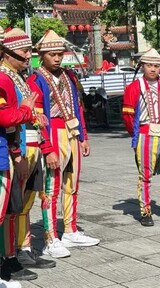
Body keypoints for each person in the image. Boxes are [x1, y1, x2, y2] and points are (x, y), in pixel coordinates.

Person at [27, 30, 99, 259]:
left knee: (72, 184)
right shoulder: (35, 80)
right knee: (51, 187)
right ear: (41, 55)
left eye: (60, 54)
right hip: (53, 132)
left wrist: (83, 136)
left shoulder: (69, 77)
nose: (57, 58)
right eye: (52, 55)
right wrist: (46, 148)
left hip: (71, 131)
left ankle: (70, 229)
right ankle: (50, 238)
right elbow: (37, 118)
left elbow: (78, 107)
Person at [122, 48, 160, 226]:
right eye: (149, 65)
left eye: (157, 66)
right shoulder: (134, 87)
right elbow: (127, 115)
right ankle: (145, 211)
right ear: (142, 66)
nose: (153, 69)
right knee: (145, 175)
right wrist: (135, 135)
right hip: (145, 132)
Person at [0, 26, 40, 288]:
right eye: (24, 51)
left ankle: (16, 254)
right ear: (7, 51)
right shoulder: (4, 79)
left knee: (16, 207)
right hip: (9, 150)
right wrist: (26, 111)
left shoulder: (16, 77)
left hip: (18, 148)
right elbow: (6, 118)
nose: (28, 56)